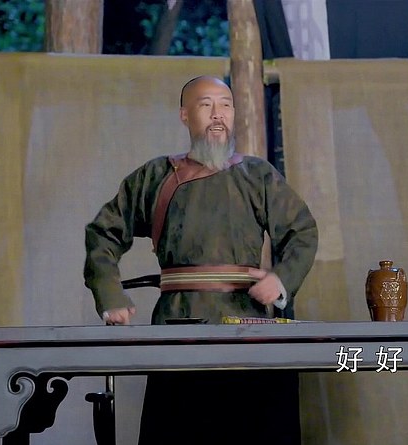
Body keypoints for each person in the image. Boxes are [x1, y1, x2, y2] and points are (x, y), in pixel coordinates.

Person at [84, 75, 318, 445]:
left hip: (249, 326)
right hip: (180, 326)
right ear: (185, 115)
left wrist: (281, 279)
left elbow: (301, 231)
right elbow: (103, 233)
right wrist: (110, 294)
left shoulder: (257, 175)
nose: (217, 114)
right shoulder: (156, 176)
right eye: (205, 105)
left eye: (225, 105)